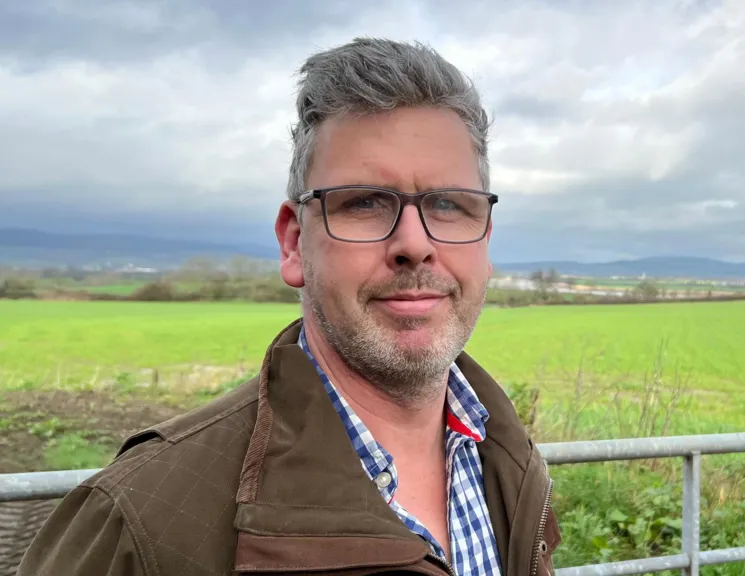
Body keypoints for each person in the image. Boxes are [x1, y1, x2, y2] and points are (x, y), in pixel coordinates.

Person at [17, 37, 561, 576]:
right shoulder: (137, 523)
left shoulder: (510, 461)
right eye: (364, 203)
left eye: (448, 204)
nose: (415, 244)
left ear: (486, 239)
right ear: (294, 243)